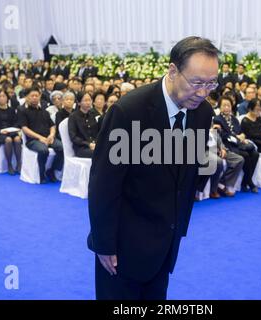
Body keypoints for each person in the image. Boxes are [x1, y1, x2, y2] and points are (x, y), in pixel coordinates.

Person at [87, 36, 218, 300]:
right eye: (196, 83)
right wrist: (104, 243)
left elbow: (187, 175)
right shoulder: (129, 112)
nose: (203, 92)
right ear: (172, 70)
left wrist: (178, 228)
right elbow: (104, 184)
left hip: (166, 244)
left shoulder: (202, 113)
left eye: (211, 84)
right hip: (123, 248)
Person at [18, 86, 64, 183]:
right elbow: (25, 129)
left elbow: (52, 125)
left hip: (48, 138)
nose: (34, 97)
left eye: (37, 96)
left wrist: (51, 135)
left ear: (40, 97)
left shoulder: (44, 111)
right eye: (32, 96)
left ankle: (51, 170)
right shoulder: (23, 111)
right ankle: (41, 173)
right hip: (32, 140)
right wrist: (40, 138)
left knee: (62, 148)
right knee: (44, 150)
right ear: (27, 97)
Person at [214, 96, 259, 193]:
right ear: (220, 107)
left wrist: (242, 135)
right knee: (246, 155)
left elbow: (241, 131)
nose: (226, 108)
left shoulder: (234, 119)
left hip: (238, 144)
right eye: (224, 105)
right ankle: (246, 182)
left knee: (255, 154)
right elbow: (223, 135)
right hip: (228, 145)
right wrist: (237, 137)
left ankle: (247, 180)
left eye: (228, 106)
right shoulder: (217, 119)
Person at [205, 121, 244, 198]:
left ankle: (223, 183)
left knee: (239, 159)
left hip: (219, 149)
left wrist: (222, 149)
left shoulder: (213, 129)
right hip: (207, 151)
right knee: (219, 161)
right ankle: (213, 190)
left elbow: (220, 141)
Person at [0, 89, 22, 175]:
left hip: (10, 131)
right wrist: (0, 130)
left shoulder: (11, 110)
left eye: (4, 96)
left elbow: (16, 122)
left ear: (7, 98)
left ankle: (19, 164)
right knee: (8, 140)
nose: (2, 98)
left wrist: (15, 128)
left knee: (18, 139)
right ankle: (9, 164)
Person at [68, 93, 99, 158]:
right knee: (99, 153)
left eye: (90, 100)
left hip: (95, 145)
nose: (88, 103)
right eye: (85, 100)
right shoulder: (73, 116)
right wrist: (88, 144)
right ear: (79, 103)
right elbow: (73, 137)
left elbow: (97, 132)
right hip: (81, 148)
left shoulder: (93, 114)